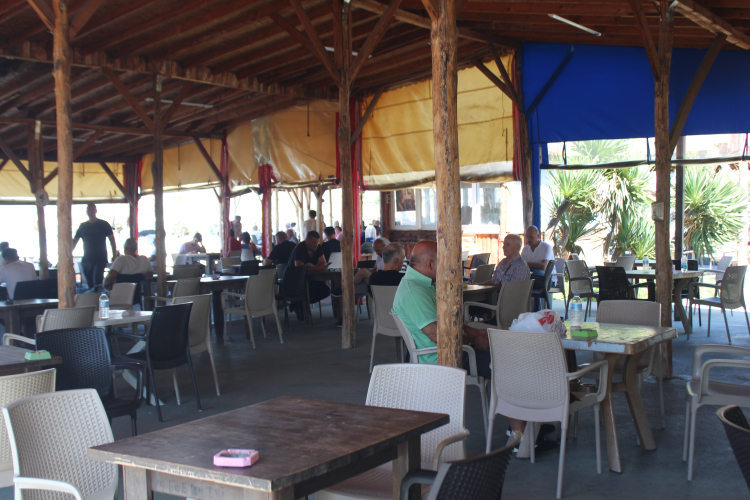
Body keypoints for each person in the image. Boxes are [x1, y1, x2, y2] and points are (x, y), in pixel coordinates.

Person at [392, 240, 490, 372]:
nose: (447, 267)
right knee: (505, 363)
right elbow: (440, 337)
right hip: (443, 359)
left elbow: (447, 323)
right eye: (444, 262)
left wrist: (476, 333)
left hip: (450, 351)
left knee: (503, 356)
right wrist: (473, 340)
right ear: (430, 264)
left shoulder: (422, 285)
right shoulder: (414, 292)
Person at [72, 203, 117, 289]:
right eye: (89, 210)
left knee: (97, 281)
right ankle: (92, 296)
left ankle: (99, 295)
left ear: (96, 211)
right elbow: (75, 241)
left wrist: (114, 255)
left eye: (92, 210)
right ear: (87, 212)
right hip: (87, 259)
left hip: (100, 258)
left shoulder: (103, 224)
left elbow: (112, 240)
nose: (91, 212)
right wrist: (68, 255)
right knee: (90, 284)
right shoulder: (83, 226)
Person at [289, 231, 330, 312]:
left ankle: (296, 303)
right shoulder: (300, 248)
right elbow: (299, 268)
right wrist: (316, 267)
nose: (316, 245)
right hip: (295, 280)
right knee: (311, 291)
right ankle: (298, 303)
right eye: (314, 242)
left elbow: (323, 264)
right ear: (307, 241)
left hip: (310, 279)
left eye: (317, 242)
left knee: (325, 290)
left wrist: (310, 266)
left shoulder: (318, 247)